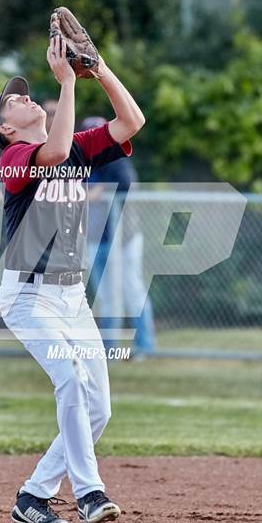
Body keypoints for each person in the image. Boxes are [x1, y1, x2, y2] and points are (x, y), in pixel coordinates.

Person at [0, 35, 145, 523]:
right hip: (28, 297)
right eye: (15, 100)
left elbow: (132, 122)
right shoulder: (16, 159)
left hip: (72, 299)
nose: (26, 96)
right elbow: (52, 153)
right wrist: (69, 81)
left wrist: (99, 70)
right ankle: (91, 494)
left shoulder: (76, 148)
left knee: (99, 407)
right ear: (7, 128)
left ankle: (33, 497)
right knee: (71, 378)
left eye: (26, 92)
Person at [82, 116, 156, 358]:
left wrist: (100, 190)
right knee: (105, 296)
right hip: (96, 237)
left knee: (132, 290)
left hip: (124, 238)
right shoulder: (80, 159)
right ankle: (109, 348)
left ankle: (144, 346)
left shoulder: (116, 156)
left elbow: (127, 183)